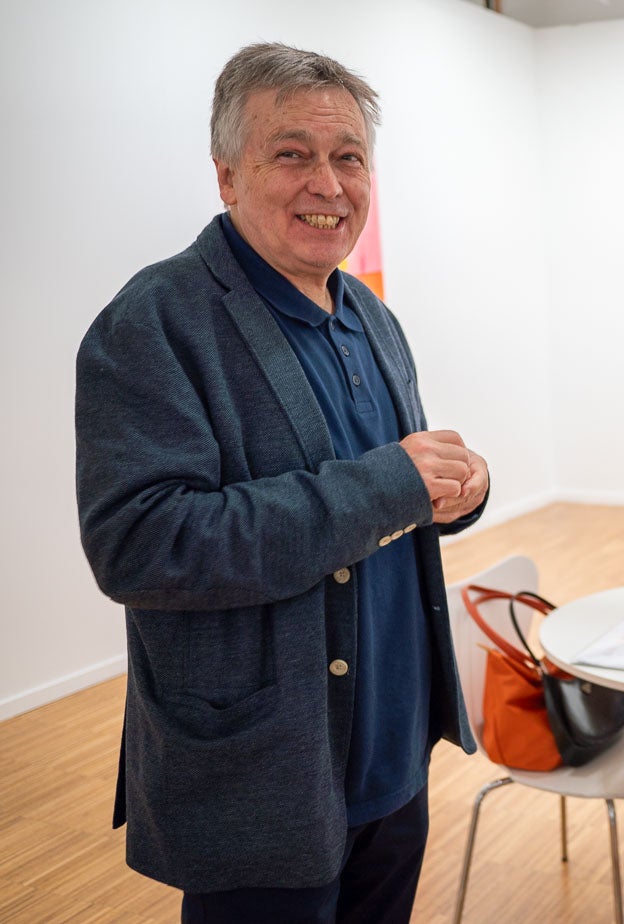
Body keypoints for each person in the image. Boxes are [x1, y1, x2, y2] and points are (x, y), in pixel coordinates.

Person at [74, 43, 489, 924]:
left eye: (348, 158)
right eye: (291, 154)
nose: (328, 185)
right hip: (262, 772)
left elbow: (393, 486)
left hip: (391, 753)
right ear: (227, 175)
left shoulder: (368, 311)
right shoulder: (153, 321)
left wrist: (456, 491)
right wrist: (388, 486)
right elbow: (141, 545)